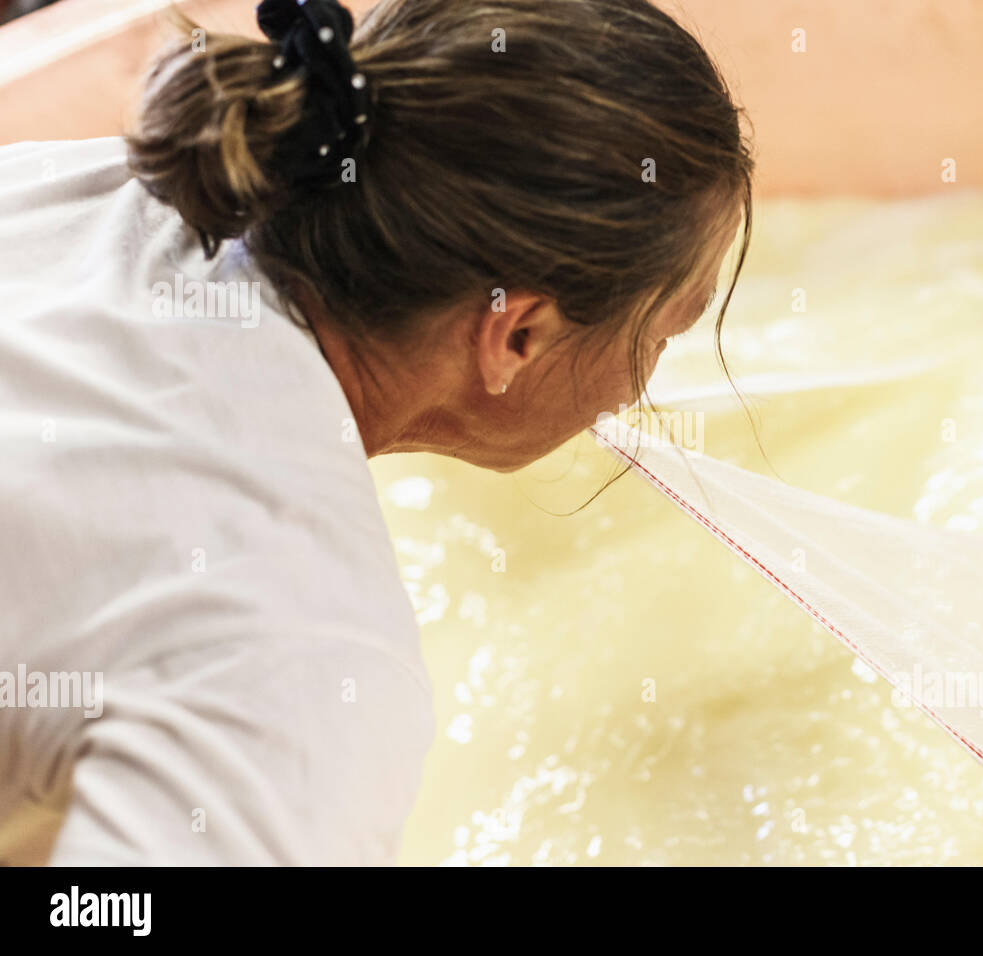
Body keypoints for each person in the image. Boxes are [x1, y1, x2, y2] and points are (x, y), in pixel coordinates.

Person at [0, 0, 751, 864]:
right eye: (665, 333)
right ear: (519, 335)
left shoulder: (93, 183)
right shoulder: (302, 656)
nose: (644, 382)